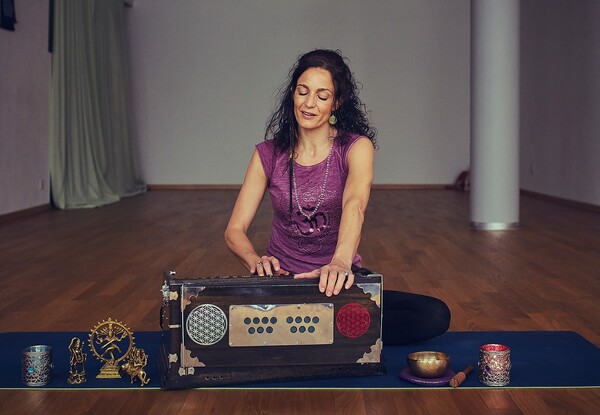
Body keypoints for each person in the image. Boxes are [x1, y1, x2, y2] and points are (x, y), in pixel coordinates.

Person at [225, 49, 450, 345]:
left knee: (434, 314)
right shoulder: (267, 153)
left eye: (322, 96)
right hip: (284, 285)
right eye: (302, 92)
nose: (309, 103)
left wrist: (340, 264)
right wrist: (256, 262)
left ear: (337, 102)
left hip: (339, 282)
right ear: (292, 94)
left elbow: (355, 205)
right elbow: (234, 229)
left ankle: (314, 332)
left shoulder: (355, 147)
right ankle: (330, 332)